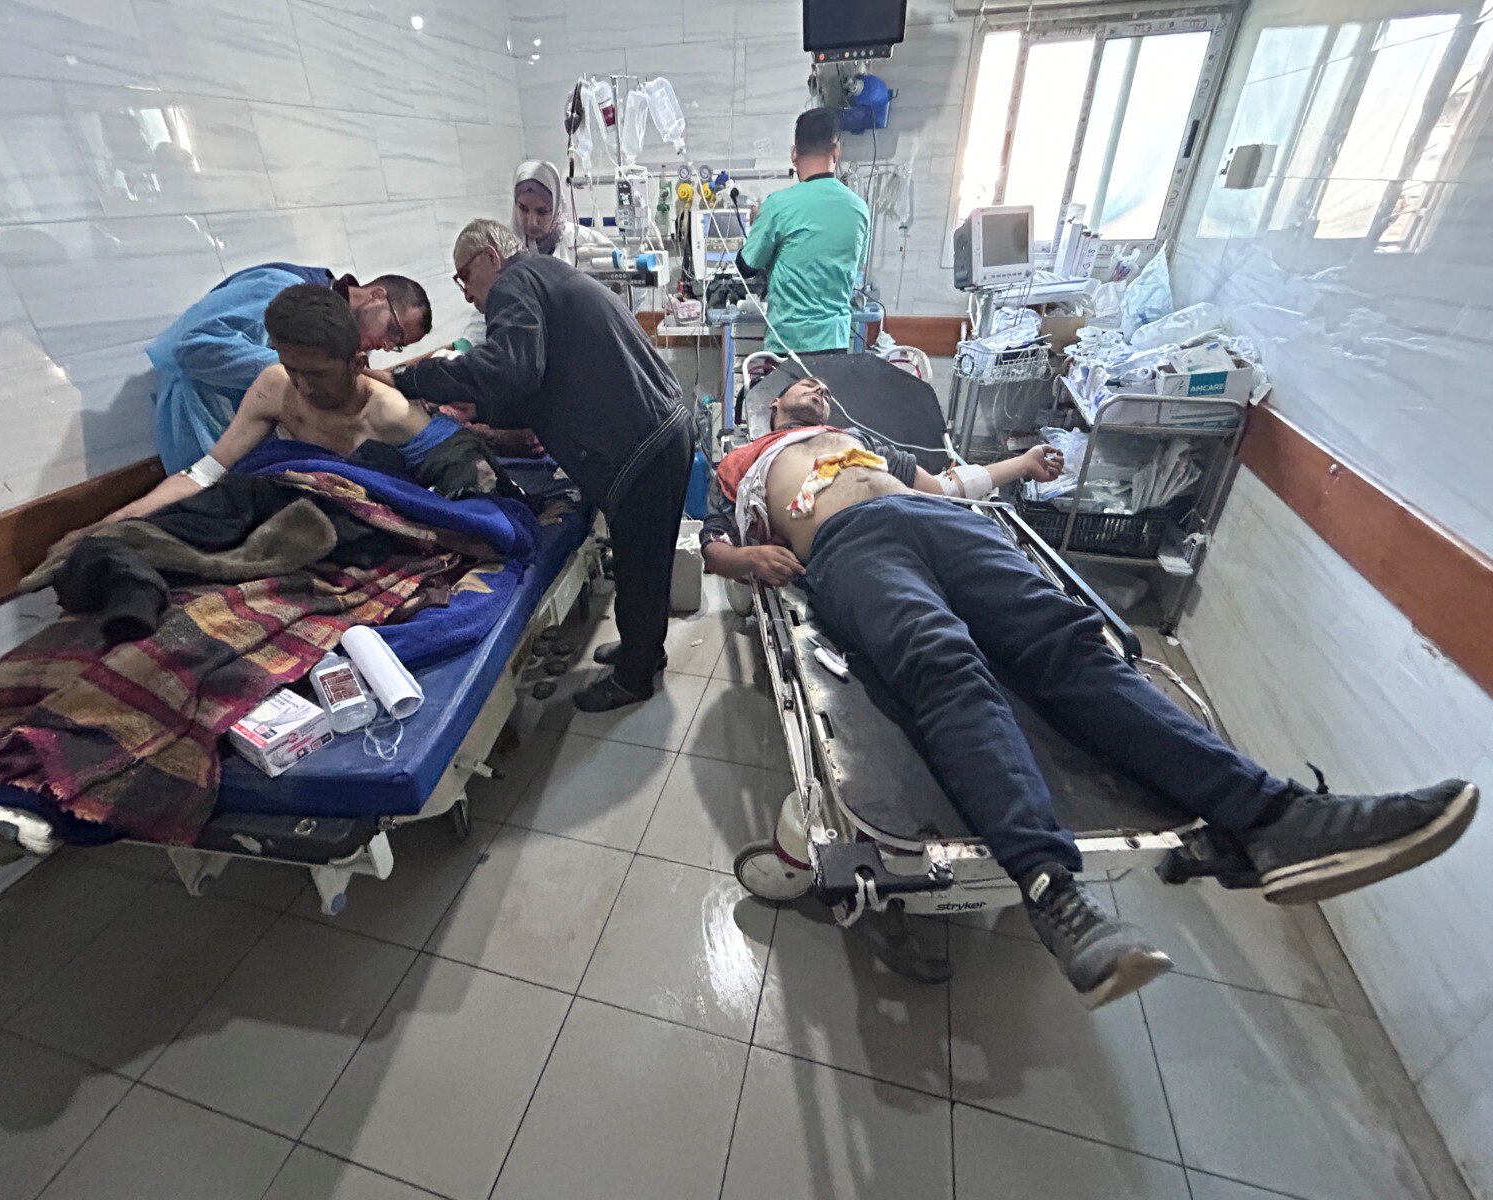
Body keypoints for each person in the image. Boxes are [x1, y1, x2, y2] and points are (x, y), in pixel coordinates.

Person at [702, 375, 1478, 1009]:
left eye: (817, 384)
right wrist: (746, 562)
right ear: (771, 405)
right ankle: (1053, 894)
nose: (815, 387)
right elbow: (708, 546)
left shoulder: (867, 441)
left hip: (950, 527)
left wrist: (1021, 469)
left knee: (1072, 644)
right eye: (796, 384)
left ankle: (1277, 819)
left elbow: (956, 483)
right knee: (943, 661)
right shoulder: (746, 460)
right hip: (848, 545)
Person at [390, 219, 692, 713]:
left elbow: (514, 368)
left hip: (641, 446)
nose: (466, 295)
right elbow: (535, 383)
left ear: (490, 256)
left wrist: (417, 377)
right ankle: (644, 651)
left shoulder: (514, 282)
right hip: (660, 434)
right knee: (645, 562)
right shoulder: (545, 277)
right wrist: (479, 411)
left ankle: (634, 677)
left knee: (640, 566)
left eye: (464, 278)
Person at [77, 285, 439, 536]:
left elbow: (448, 489)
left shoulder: (392, 412)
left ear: (358, 364)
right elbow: (203, 474)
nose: (304, 386)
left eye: (318, 374)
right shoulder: (275, 385)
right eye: (291, 368)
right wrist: (124, 515)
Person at [148, 262, 431, 472]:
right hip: (201, 420)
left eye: (397, 344)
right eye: (392, 330)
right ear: (377, 295)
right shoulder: (281, 287)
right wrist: (304, 368)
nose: (385, 344)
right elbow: (192, 345)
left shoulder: (338, 332)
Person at [736, 109, 870, 356]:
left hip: (787, 344)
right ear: (837, 150)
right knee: (824, 396)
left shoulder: (778, 205)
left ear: (794, 154)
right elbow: (855, 269)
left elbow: (746, 267)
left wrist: (758, 224)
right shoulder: (859, 209)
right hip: (835, 342)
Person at [512, 159, 616, 267]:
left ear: (557, 209)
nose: (532, 222)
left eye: (542, 212)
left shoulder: (589, 241)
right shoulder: (502, 249)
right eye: (523, 209)